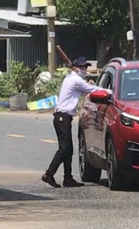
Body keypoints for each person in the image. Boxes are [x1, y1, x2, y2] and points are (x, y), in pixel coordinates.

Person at [42, 57, 98, 188]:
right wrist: (108, 92)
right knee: (64, 149)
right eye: (82, 68)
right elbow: (92, 90)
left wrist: (89, 85)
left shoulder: (72, 79)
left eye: (86, 67)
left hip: (64, 118)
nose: (84, 70)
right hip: (62, 118)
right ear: (75, 68)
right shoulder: (74, 80)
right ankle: (49, 174)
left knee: (69, 150)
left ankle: (68, 178)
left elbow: (85, 90)